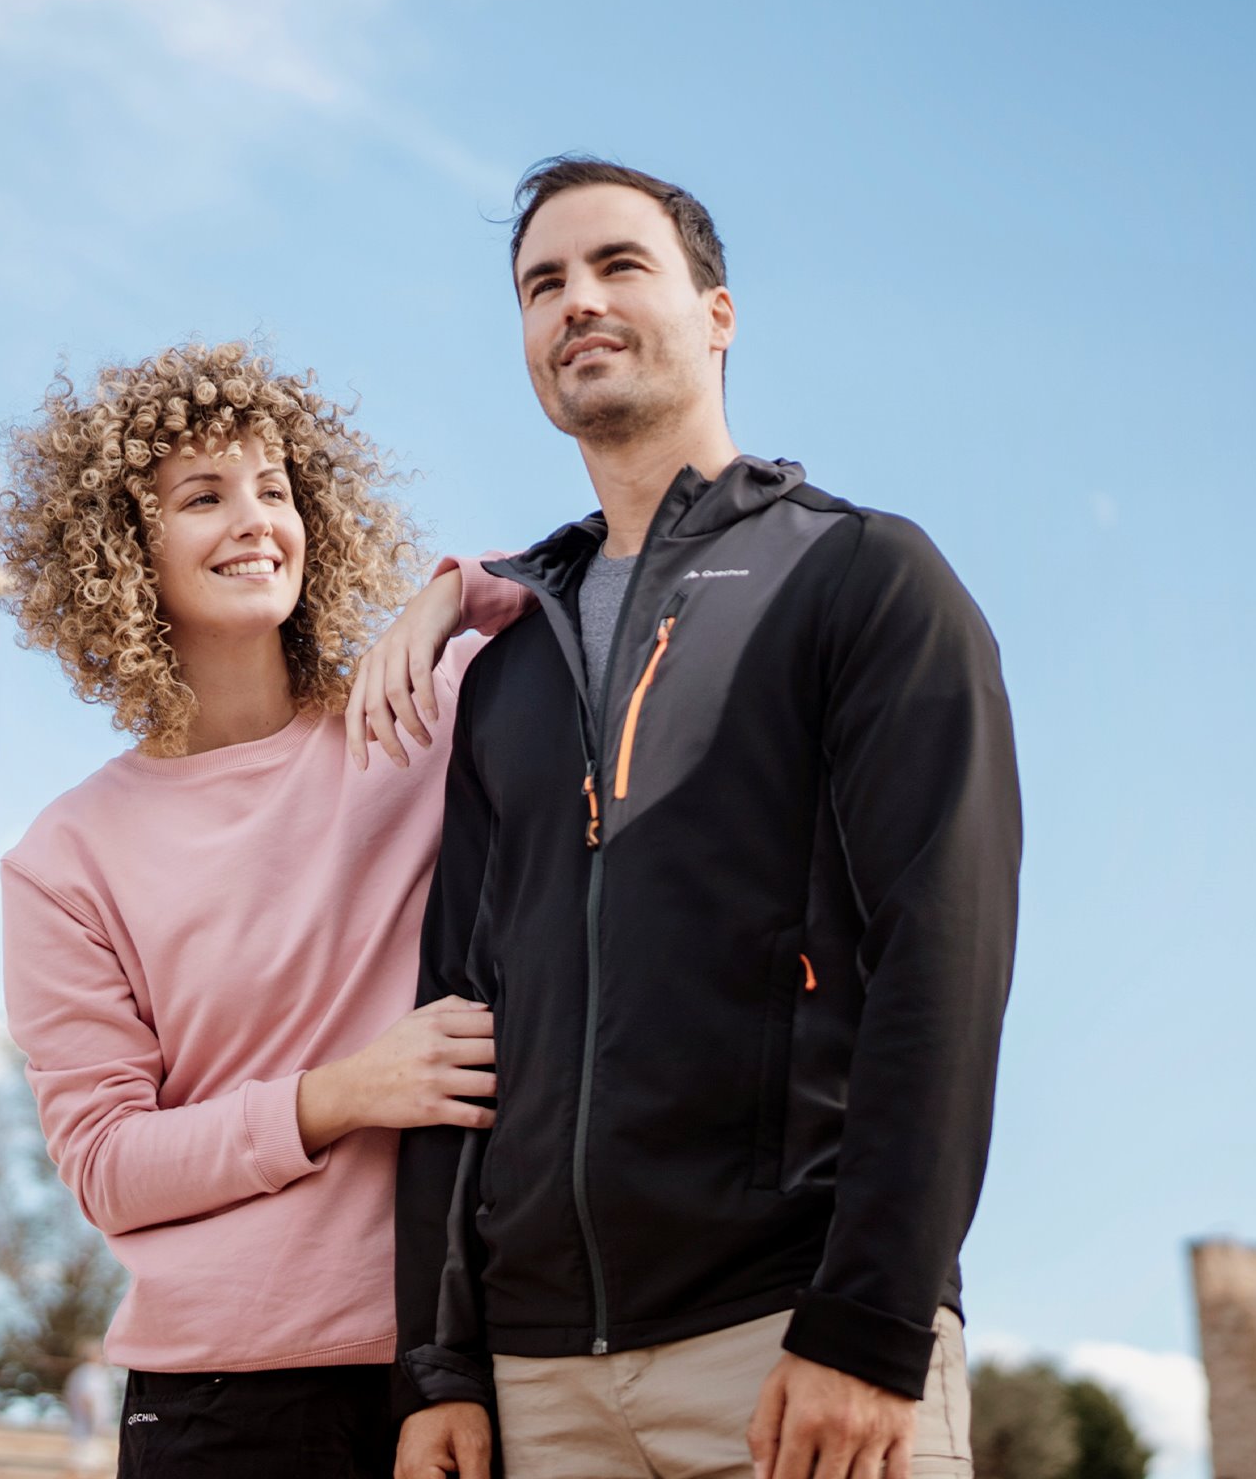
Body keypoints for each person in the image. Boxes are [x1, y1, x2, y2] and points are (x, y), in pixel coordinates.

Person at [353, 158, 1023, 1479]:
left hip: (791, 1344)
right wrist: (438, 1362)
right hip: (540, 1385)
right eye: (543, 284)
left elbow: (941, 967)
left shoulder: (863, 580)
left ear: (718, 313)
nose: (576, 303)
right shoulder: (507, 674)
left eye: (618, 266)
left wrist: (872, 1322)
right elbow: (456, 1017)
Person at [0, 341, 526, 1478]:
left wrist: (447, 591)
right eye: (202, 496)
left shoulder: (418, 717)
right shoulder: (64, 859)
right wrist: (340, 1094)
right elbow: (107, 1163)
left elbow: (583, 588)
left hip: (449, 1369)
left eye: (275, 489)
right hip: (218, 1398)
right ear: (121, 551)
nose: (255, 520)